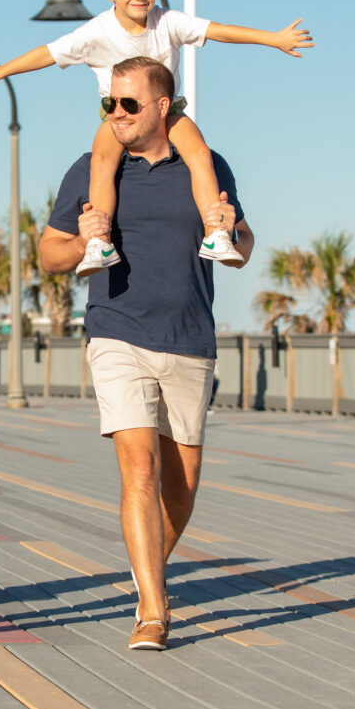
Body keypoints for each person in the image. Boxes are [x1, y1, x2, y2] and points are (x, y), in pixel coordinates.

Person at [39, 56, 254, 652]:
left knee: (181, 486)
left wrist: (232, 231)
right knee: (141, 470)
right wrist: (83, 237)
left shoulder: (206, 166)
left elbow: (243, 244)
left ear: (164, 107)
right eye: (109, 102)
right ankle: (154, 611)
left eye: (128, 104)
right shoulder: (90, 168)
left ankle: (145, 572)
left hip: (189, 335)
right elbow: (50, 255)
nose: (116, 113)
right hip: (115, 331)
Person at [0, 0, 297, 277]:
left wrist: (274, 39)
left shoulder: (167, 22)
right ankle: (99, 243)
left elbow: (219, 31)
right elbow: (47, 53)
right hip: (118, 116)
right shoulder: (96, 32)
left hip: (168, 111)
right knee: (102, 161)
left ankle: (215, 235)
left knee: (199, 153)